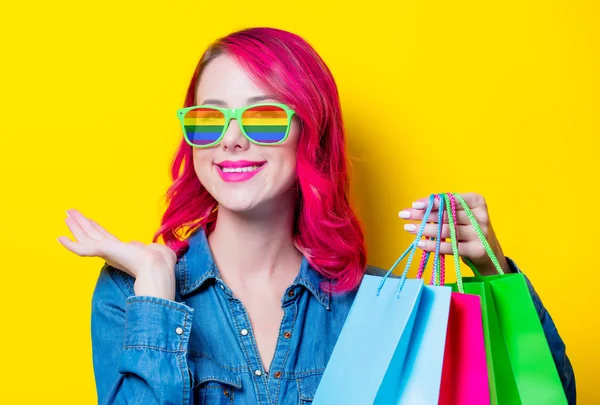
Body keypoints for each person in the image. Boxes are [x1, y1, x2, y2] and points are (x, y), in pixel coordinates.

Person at [58, 27, 575, 404]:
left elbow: (548, 397)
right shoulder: (132, 295)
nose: (231, 138)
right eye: (209, 117)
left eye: (262, 117)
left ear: (312, 131)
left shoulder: (373, 306)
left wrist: (494, 269)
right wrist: (155, 289)